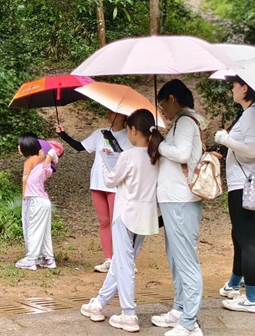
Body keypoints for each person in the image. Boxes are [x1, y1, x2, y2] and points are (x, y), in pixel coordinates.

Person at [80, 109, 161, 333]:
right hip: (147, 216)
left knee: (123, 265)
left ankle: (129, 314)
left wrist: (107, 163)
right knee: (121, 262)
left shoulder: (129, 155)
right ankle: (98, 303)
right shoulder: (156, 155)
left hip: (125, 214)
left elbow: (111, 179)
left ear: (134, 130)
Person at [151, 79, 206, 336]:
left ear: (172, 99)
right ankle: (180, 309)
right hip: (175, 200)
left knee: (185, 261)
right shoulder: (181, 122)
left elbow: (182, 153)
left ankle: (190, 323)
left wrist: (159, 144)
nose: (163, 112)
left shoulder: (185, 121)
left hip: (181, 200)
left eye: (163, 106)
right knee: (176, 258)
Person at [215, 76, 255, 313]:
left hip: (244, 185)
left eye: (234, 85)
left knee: (247, 240)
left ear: (245, 88)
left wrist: (225, 139)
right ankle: (235, 284)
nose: (232, 89)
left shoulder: (252, 114)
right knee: (241, 237)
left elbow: (251, 150)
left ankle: (251, 299)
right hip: (249, 184)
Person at [56, 112, 132, 273]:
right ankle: (108, 260)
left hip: (116, 185)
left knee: (119, 223)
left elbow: (132, 159)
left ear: (122, 116)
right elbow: (79, 147)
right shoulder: (100, 133)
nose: (109, 115)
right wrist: (63, 134)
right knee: (103, 222)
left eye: (113, 113)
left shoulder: (130, 135)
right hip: (97, 183)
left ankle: (126, 259)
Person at [16, 133, 57, 270]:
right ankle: (48, 258)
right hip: (41, 200)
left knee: (32, 229)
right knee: (44, 231)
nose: (40, 151)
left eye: (20, 145)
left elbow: (53, 150)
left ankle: (31, 259)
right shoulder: (42, 166)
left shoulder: (38, 163)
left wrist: (49, 154)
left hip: (34, 200)